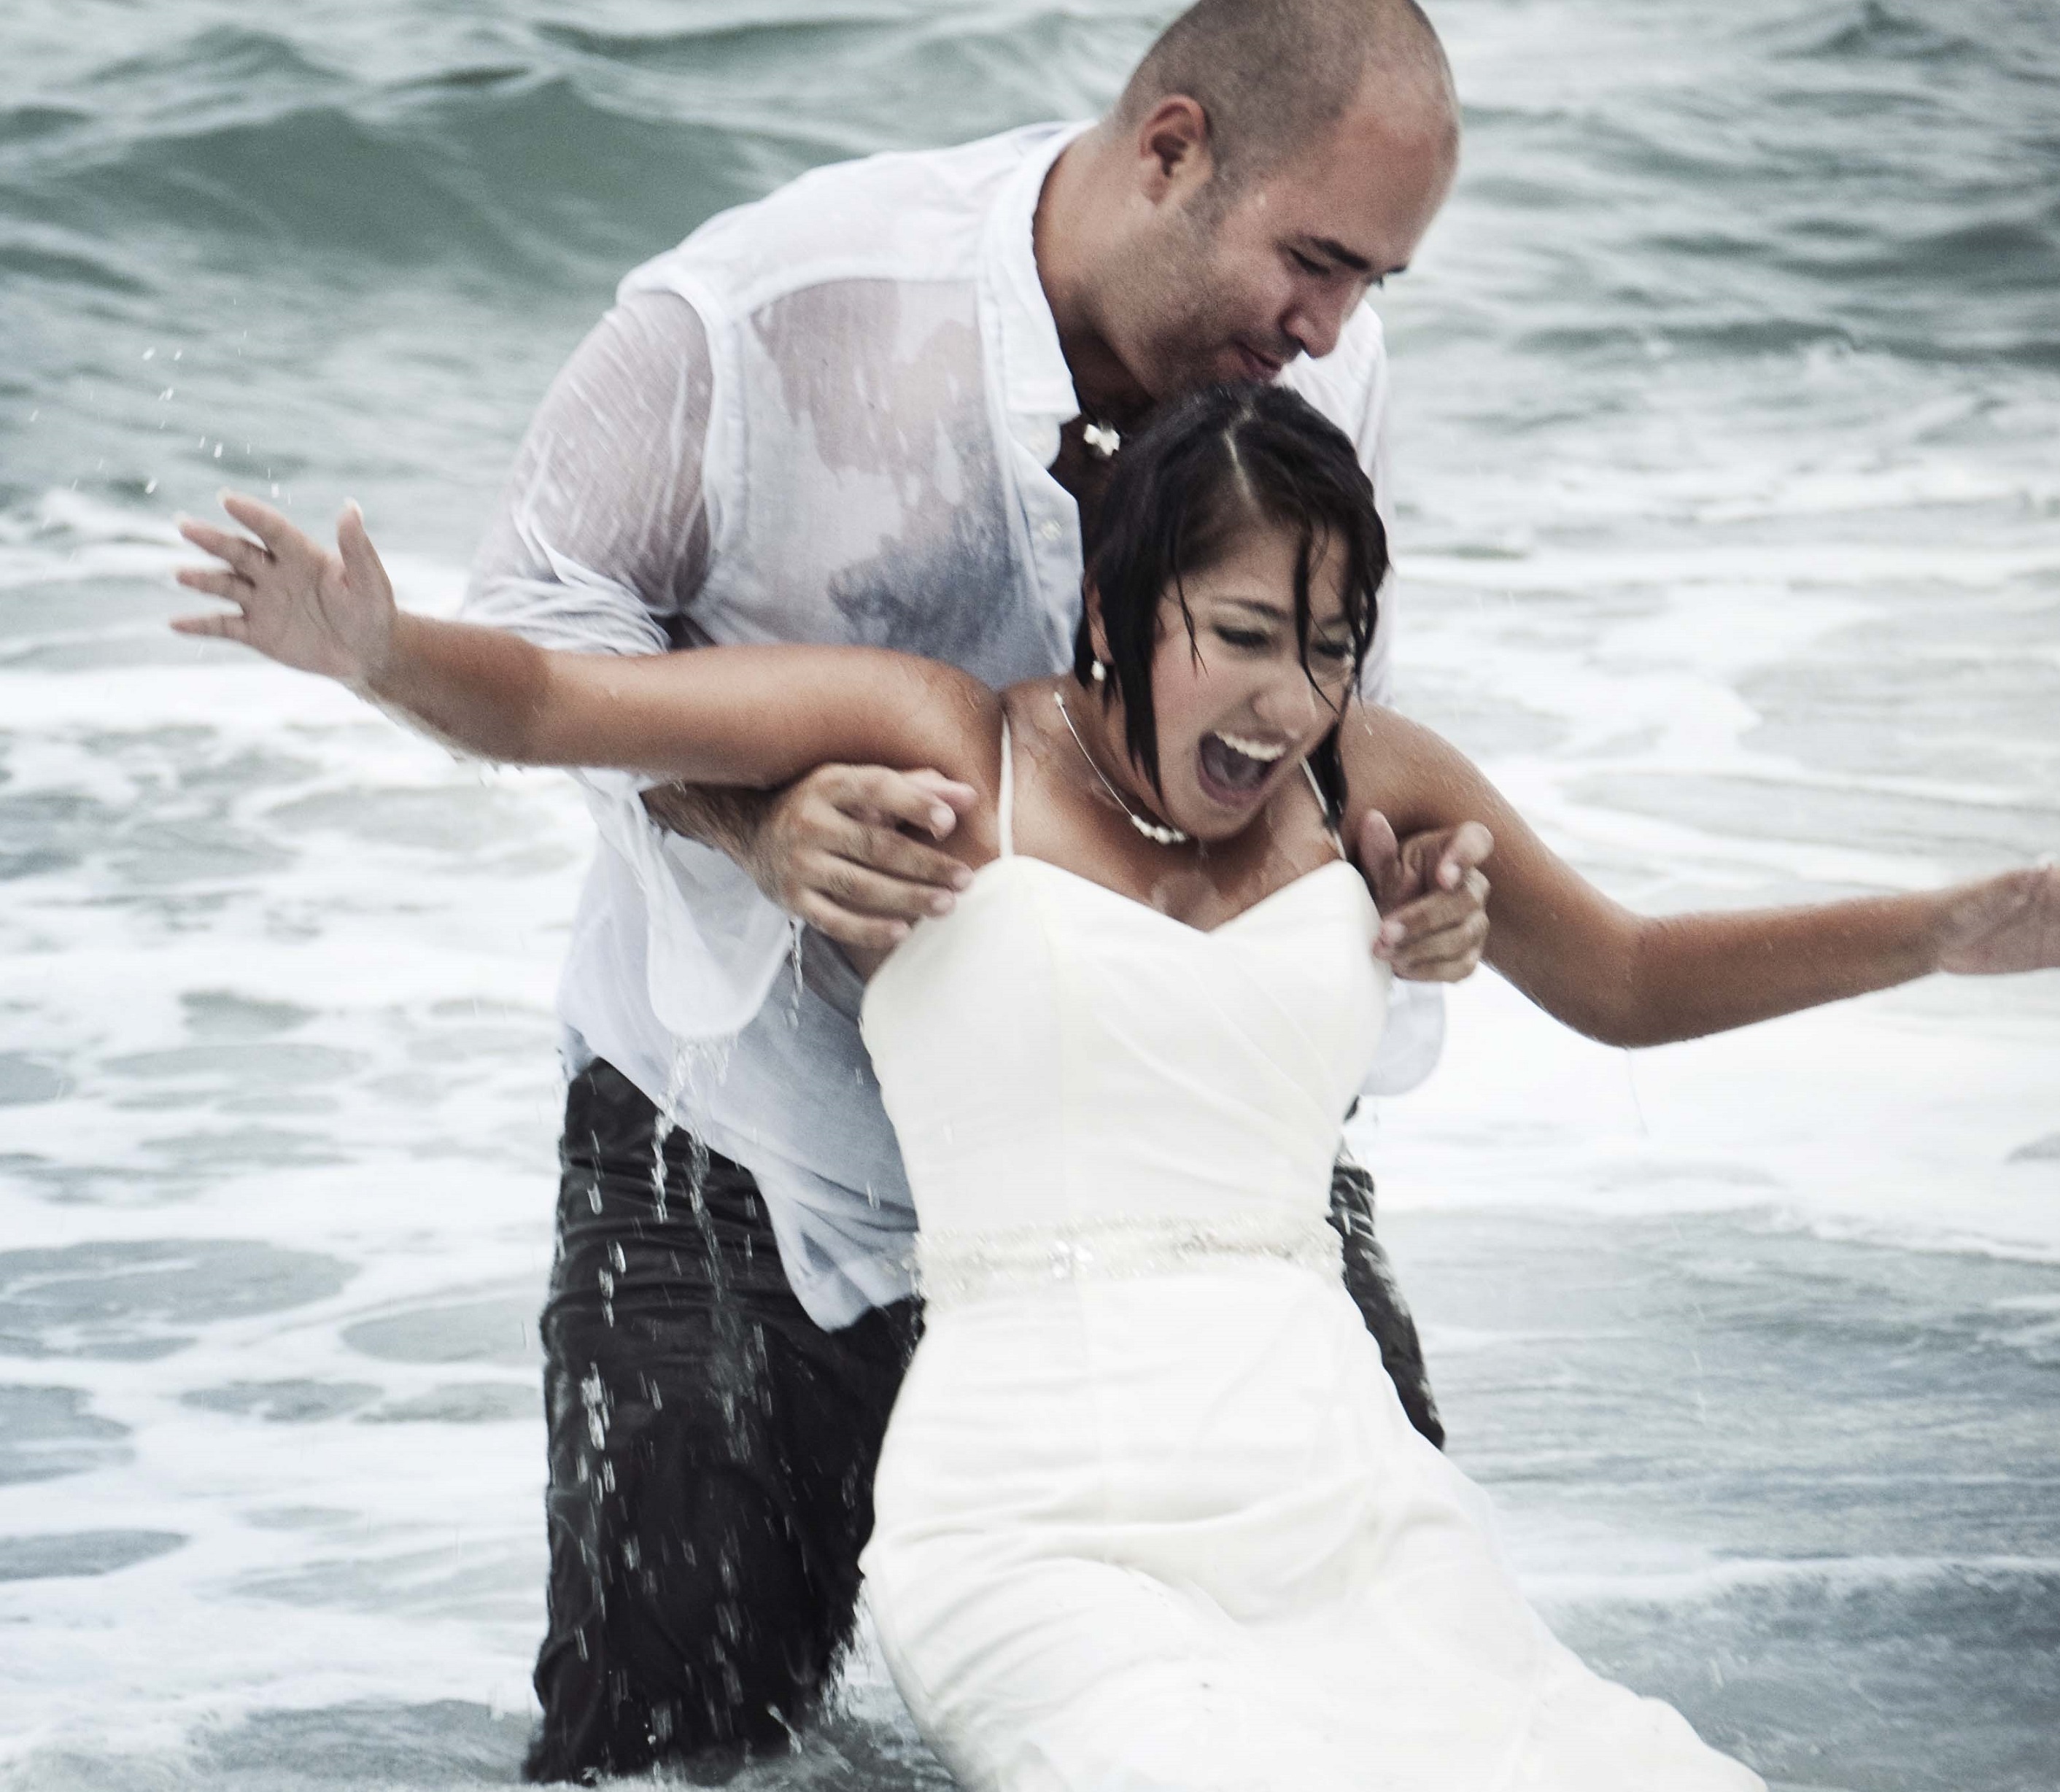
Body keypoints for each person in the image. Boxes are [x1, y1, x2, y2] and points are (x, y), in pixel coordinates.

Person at [172, 383, 2058, 1789]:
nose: (1292, 700)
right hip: (1039, 1512)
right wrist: (376, 653)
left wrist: (1940, 930)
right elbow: (564, 707)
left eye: (1328, 648)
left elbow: (1630, 980)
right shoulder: (947, 739)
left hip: (1342, 1497)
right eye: (1244, 635)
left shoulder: (1371, 786)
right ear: (1117, 602)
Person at [451, 0, 1481, 1773]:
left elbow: (1318, 727)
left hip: (1153, 1163)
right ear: (1170, 149)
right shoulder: (774, 310)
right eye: (1315, 262)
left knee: (1375, 1695)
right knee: (665, 1749)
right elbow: (526, 632)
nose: (1331, 330)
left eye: (1371, 284)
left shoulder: (1305, 378)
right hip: (741, 1144)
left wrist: (1399, 871)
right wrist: (749, 821)